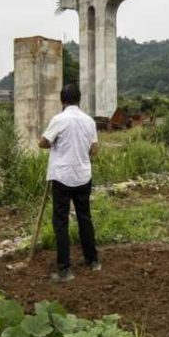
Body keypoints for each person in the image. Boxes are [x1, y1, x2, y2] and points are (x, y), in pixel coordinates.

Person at [39, 83, 100, 282]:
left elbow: (43, 143)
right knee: (85, 217)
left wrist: (51, 143)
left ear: (62, 100)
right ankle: (93, 261)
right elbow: (94, 149)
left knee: (61, 221)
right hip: (83, 176)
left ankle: (65, 269)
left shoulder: (59, 119)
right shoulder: (89, 121)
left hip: (62, 177)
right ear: (79, 99)